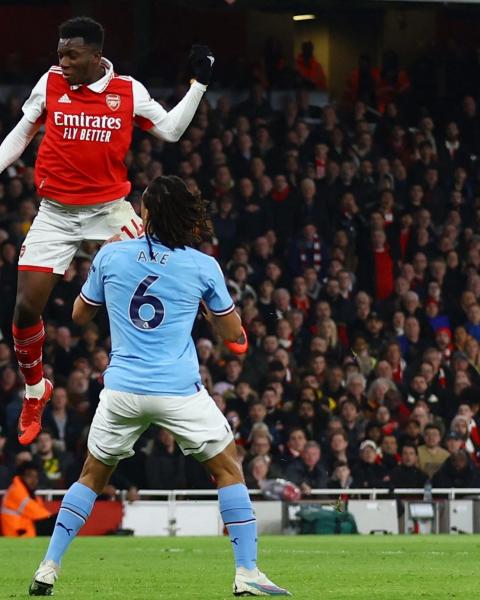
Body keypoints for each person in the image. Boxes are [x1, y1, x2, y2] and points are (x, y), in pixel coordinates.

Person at [28, 176, 289, 596]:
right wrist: (206, 309)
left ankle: (48, 566)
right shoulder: (203, 265)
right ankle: (247, 573)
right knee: (227, 469)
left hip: (122, 391)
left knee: (92, 475)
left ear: (146, 213)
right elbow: (234, 334)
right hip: (178, 391)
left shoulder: (111, 255)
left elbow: (79, 315)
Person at [0, 16, 213, 445]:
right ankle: (35, 390)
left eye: (71, 55)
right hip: (55, 214)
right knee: (25, 310)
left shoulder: (128, 92)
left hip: (109, 211)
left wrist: (199, 85)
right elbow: (23, 131)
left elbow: (171, 131)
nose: (62, 62)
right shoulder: (51, 82)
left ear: (96, 57)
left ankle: (216, 316)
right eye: (59, 53)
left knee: (167, 265)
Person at [1, 461, 52, 537]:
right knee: (57, 523)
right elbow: (38, 513)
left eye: (36, 477)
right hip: (17, 534)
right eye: (30, 476)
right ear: (22, 476)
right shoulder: (16, 491)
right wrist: (55, 519)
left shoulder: (30, 493)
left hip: (26, 532)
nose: (33, 480)